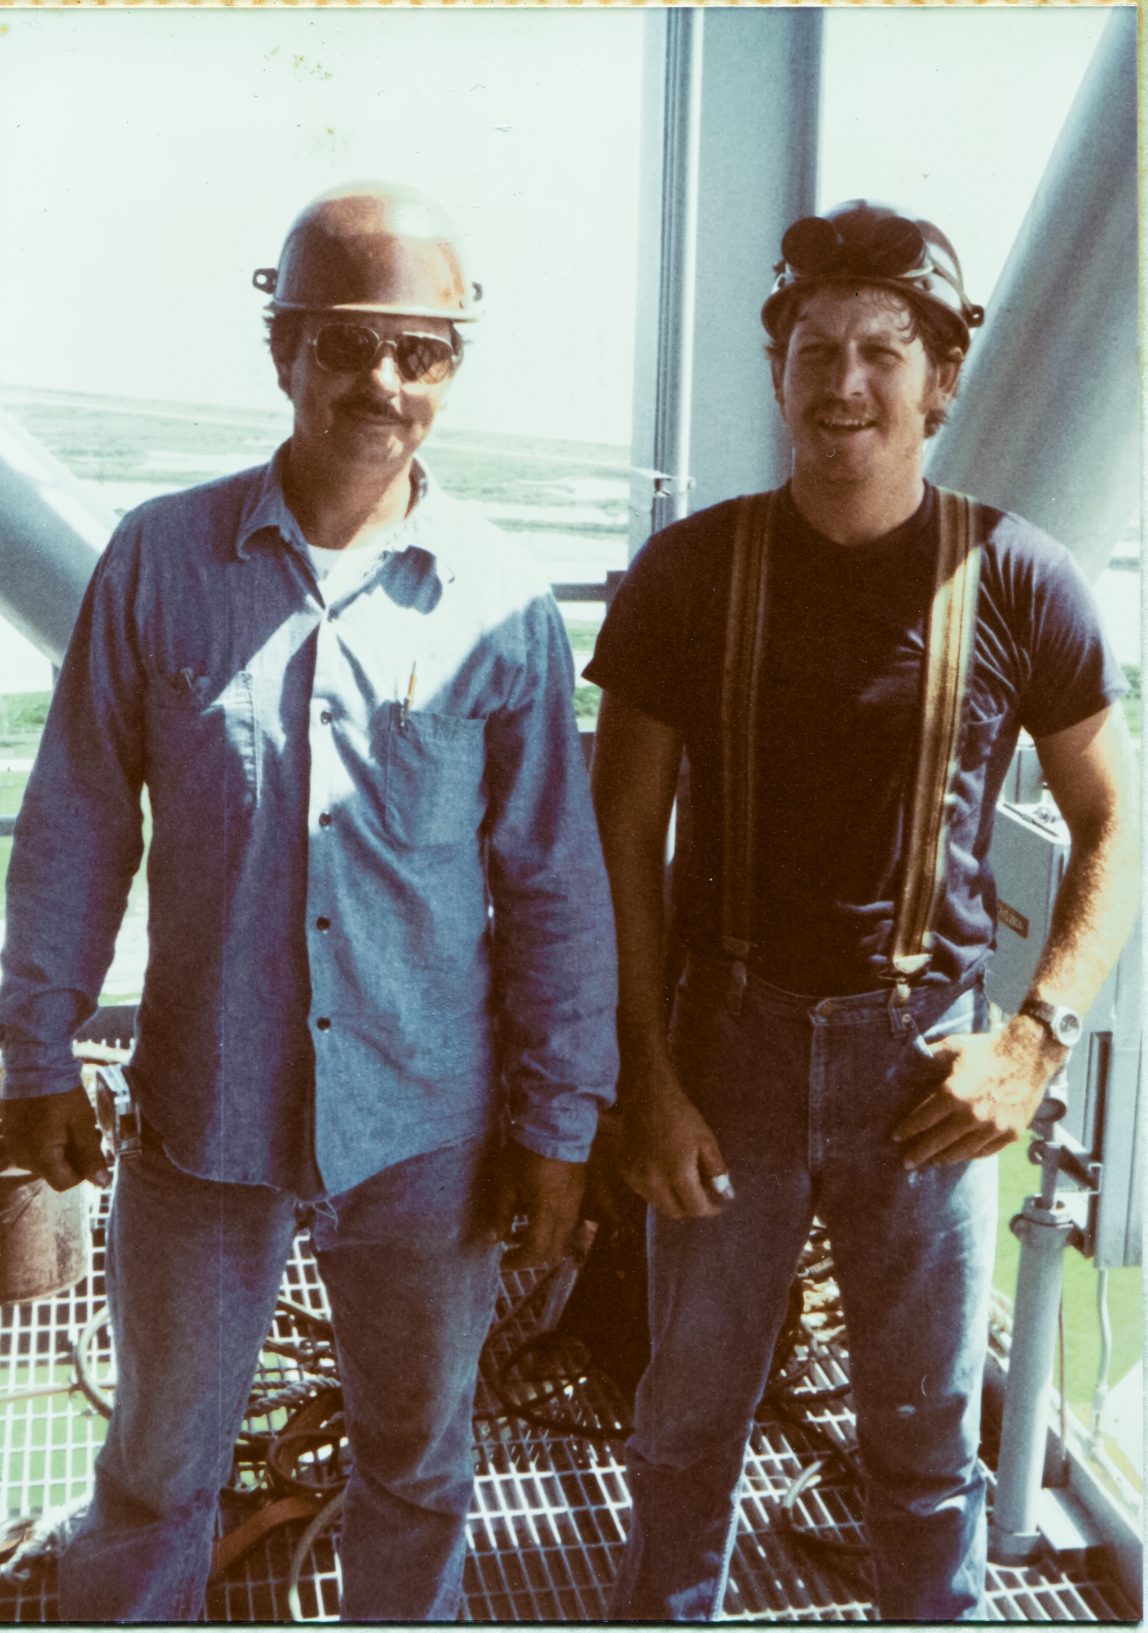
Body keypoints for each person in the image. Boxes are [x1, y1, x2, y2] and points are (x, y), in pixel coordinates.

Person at [0, 180, 618, 1622]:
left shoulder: (502, 603)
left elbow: (552, 883)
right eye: (344, 343)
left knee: (417, 1461)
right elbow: (79, 820)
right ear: (282, 351)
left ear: (455, 370)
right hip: (206, 1113)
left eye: (422, 350)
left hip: (427, 1129)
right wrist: (36, 1046)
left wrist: (558, 1124)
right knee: (155, 1471)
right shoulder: (160, 560)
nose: (381, 382)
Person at [585, 199, 1139, 1621]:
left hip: (927, 1070)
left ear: (941, 377)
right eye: (815, 348)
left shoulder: (1019, 579)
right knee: (686, 1425)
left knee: (921, 1447)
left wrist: (1033, 1041)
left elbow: (1113, 821)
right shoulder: (690, 574)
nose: (845, 383)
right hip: (731, 1053)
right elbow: (618, 834)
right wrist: (645, 1080)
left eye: (885, 350)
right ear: (777, 373)